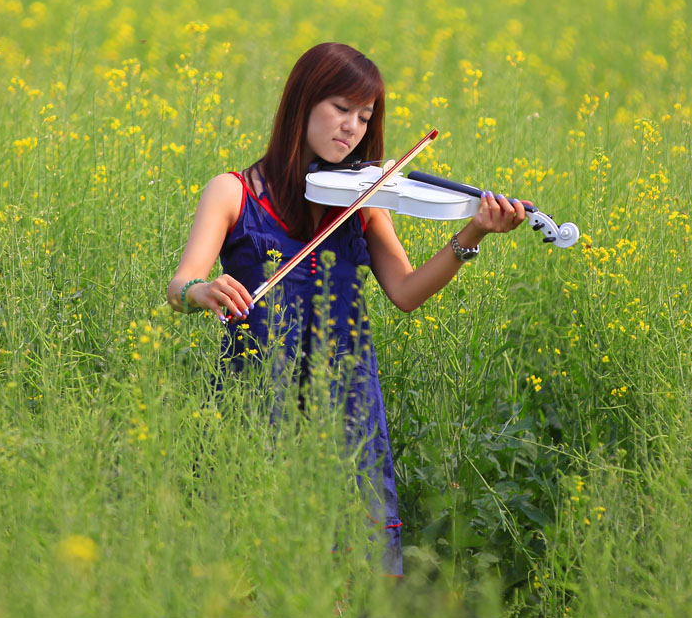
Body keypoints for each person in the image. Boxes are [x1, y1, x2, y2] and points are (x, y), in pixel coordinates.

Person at [166, 42, 526, 576]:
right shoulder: (232, 191)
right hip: (256, 391)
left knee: (347, 574)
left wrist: (472, 233)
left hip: (346, 397)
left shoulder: (363, 200)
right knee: (248, 564)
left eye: (364, 117)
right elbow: (180, 284)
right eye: (340, 109)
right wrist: (201, 290)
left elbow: (404, 291)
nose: (352, 128)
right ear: (302, 104)